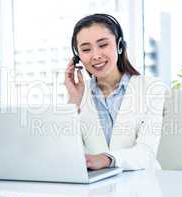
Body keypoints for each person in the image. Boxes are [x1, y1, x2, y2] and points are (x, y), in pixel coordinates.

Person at [65, 13, 166, 171]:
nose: (96, 55)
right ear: (78, 57)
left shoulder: (151, 89)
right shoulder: (78, 95)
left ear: (119, 46)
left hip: (143, 187)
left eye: (103, 45)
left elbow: (146, 153)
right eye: (86, 49)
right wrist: (74, 102)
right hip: (94, 191)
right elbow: (65, 153)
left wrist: (106, 159)